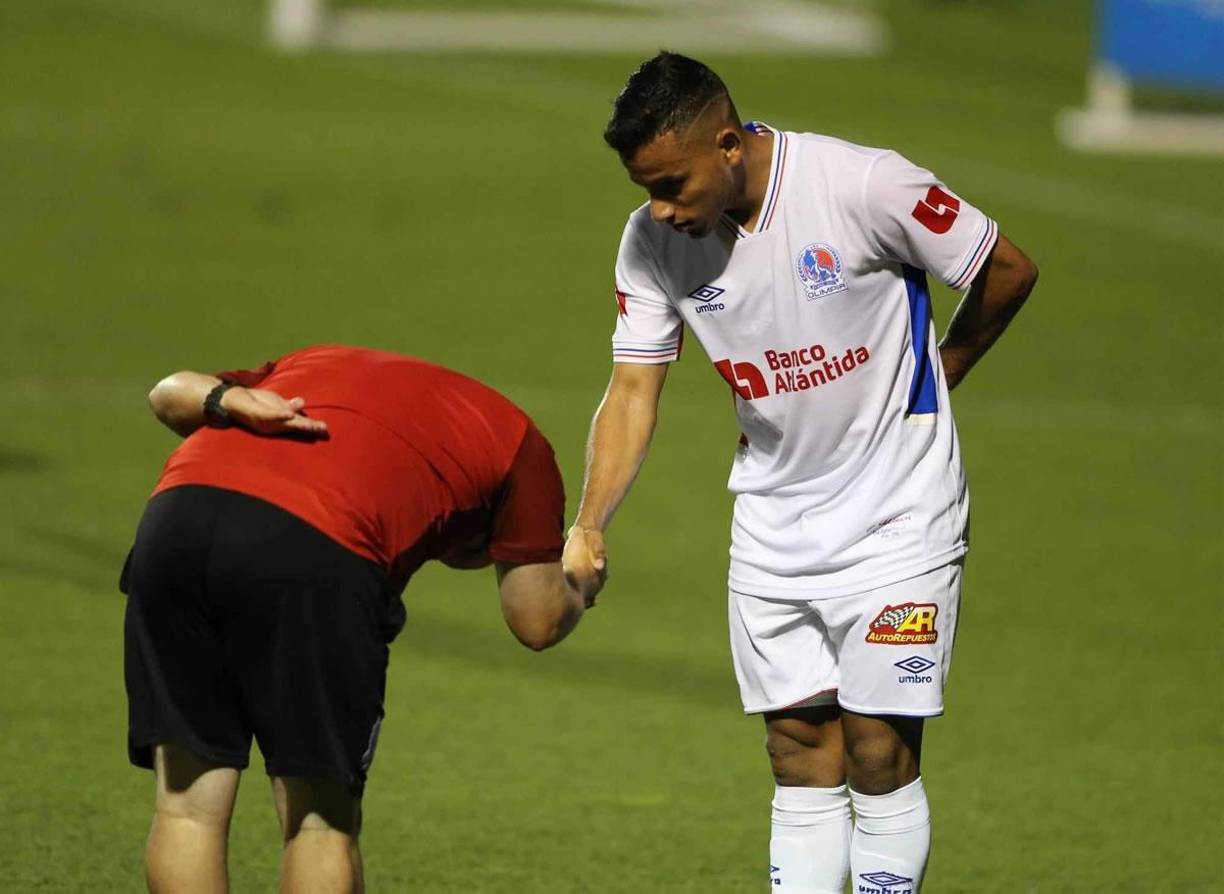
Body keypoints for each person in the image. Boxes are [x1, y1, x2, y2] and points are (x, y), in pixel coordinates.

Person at [561, 53, 1037, 893]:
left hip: (899, 514)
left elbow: (1006, 266)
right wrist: (590, 519)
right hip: (774, 522)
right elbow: (633, 389)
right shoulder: (650, 243)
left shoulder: (863, 187)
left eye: (674, 183)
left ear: (728, 144)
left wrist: (944, 366)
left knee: (877, 747)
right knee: (795, 749)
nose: (661, 209)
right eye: (647, 189)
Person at [123, 344, 596, 894]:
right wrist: (581, 583)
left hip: (174, 522)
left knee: (187, 807)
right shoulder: (522, 446)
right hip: (315, 548)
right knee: (319, 823)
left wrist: (226, 399)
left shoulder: (316, 361)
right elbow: (535, 619)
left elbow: (169, 392)